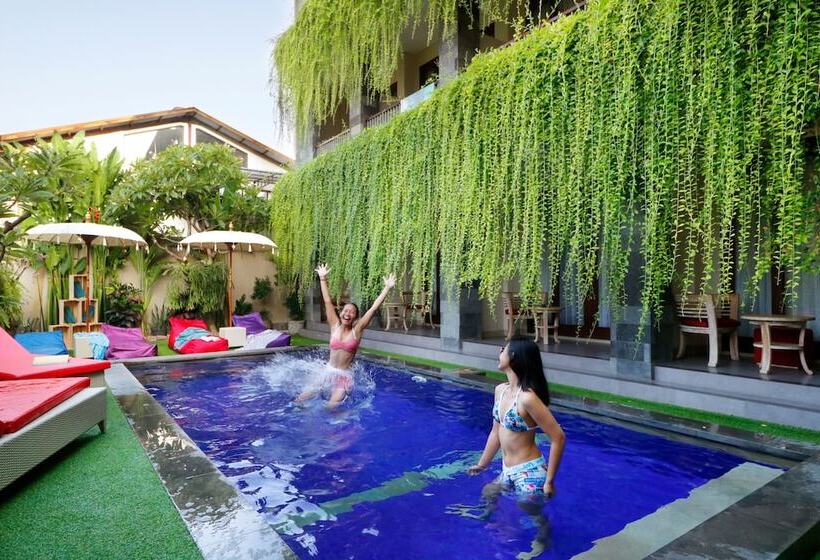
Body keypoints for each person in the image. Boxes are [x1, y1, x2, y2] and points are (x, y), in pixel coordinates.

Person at [469, 336, 566, 497]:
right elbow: (495, 432)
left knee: (528, 511)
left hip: (530, 472)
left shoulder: (527, 398)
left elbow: (558, 437)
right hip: (507, 470)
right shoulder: (500, 390)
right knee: (488, 494)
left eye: (503, 349)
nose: (499, 352)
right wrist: (482, 464)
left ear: (513, 356)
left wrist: (549, 481)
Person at [296, 263, 396, 408]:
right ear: (341, 313)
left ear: (355, 317)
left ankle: (344, 416)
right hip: (328, 371)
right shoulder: (334, 325)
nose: (347, 313)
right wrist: (322, 278)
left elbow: (373, 309)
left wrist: (386, 288)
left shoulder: (357, 330)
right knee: (301, 399)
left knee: (331, 407)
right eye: (345, 310)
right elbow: (327, 301)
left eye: (352, 312)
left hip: (343, 376)